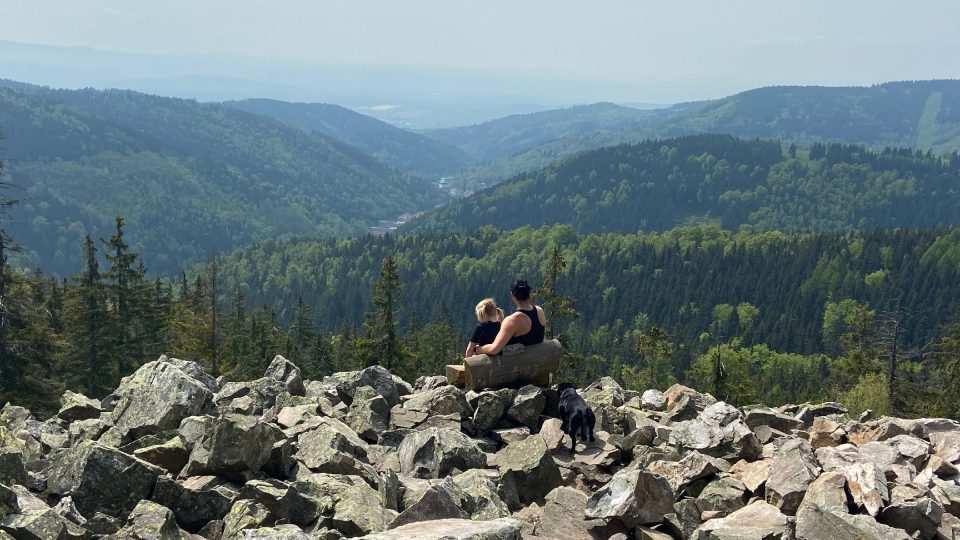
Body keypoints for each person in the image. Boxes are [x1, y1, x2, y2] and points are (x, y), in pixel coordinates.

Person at [477, 279, 546, 356]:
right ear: (529, 294)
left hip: (516, 365)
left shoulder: (512, 320)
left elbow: (494, 349)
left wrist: (479, 349)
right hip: (538, 361)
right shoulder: (539, 311)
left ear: (513, 295)